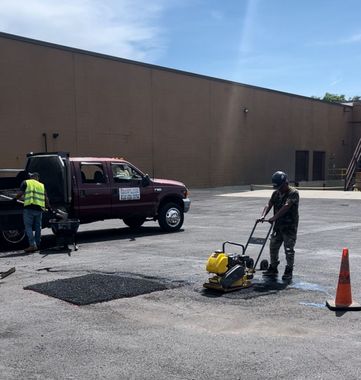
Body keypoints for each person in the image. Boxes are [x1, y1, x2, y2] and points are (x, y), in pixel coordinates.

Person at [259, 171, 299, 281]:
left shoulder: (293, 193)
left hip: (289, 227)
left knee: (289, 249)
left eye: (280, 186)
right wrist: (263, 216)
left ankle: (289, 269)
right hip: (278, 227)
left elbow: (286, 206)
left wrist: (274, 218)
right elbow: (269, 204)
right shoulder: (276, 193)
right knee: (273, 246)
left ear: (286, 183)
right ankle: (273, 267)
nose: (279, 189)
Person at [14, 172, 51, 253]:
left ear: (31, 177)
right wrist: (49, 207)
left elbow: (20, 193)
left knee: (28, 226)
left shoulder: (26, 182)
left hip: (29, 208)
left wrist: (14, 199)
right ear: (37, 178)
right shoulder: (41, 185)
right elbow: (46, 198)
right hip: (39, 209)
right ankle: (38, 244)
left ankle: (32, 245)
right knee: (38, 227)